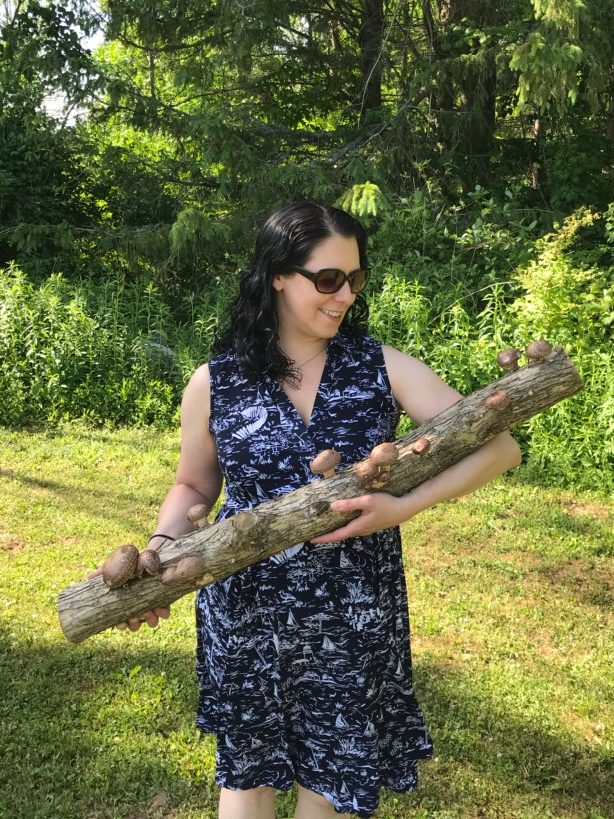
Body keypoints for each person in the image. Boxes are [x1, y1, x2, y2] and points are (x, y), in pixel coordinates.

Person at [122, 201, 522, 819]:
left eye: (355, 280)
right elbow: (194, 489)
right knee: (247, 778)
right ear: (278, 274)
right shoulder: (215, 381)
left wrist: (403, 506)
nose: (345, 297)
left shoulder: (380, 367)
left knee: (332, 784)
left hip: (353, 605)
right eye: (328, 279)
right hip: (246, 604)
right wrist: (156, 554)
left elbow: (501, 447)